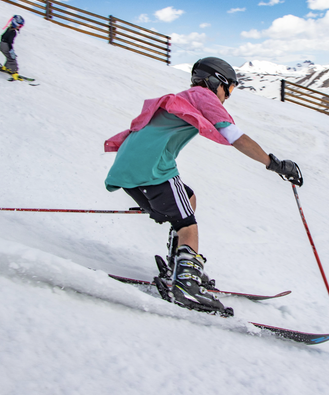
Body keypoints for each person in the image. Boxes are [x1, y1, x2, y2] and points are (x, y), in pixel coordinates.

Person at [103, 57, 303, 315]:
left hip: (129, 168)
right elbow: (235, 137)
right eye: (229, 88)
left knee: (188, 198)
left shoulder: (188, 96)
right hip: (153, 169)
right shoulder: (203, 96)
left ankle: (181, 264)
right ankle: (186, 283)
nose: (228, 95)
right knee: (188, 224)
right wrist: (273, 164)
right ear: (216, 82)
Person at [0, 15, 24, 80]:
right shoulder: (13, 32)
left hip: (2, 45)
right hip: (6, 46)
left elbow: (2, 36)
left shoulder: (9, 29)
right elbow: (10, 42)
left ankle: (5, 67)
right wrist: (11, 50)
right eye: (20, 25)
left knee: (9, 57)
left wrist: (2, 43)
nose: (20, 27)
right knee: (12, 59)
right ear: (15, 23)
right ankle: (15, 73)